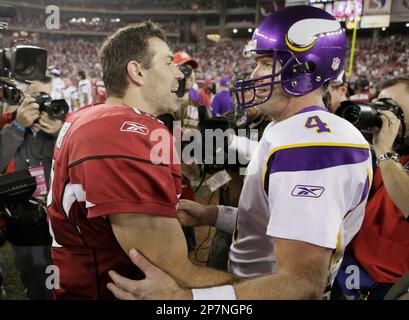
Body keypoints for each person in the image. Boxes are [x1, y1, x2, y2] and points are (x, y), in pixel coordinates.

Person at [107, 6, 373, 300]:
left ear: (304, 69)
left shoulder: (312, 144)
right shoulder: (289, 129)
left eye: (264, 63)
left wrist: (184, 299)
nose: (254, 74)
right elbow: (276, 220)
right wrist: (213, 215)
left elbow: (300, 285)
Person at [46, 22, 234, 300]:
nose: (178, 72)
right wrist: (275, 289)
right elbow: (176, 273)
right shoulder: (120, 131)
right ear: (137, 71)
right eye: (169, 62)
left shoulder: (94, 116)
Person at [335, 75, 409, 300]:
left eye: (393, 109)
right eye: (380, 106)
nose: (385, 117)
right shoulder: (386, 152)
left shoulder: (386, 155)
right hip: (350, 270)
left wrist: (385, 152)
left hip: (389, 286)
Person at [0, 77, 62, 300]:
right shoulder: (10, 126)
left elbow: (81, 161)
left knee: (57, 272)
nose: (44, 103)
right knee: (33, 272)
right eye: (37, 97)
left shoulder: (63, 127)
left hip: (56, 218)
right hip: (23, 219)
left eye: (48, 96)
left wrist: (60, 132)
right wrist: (18, 127)